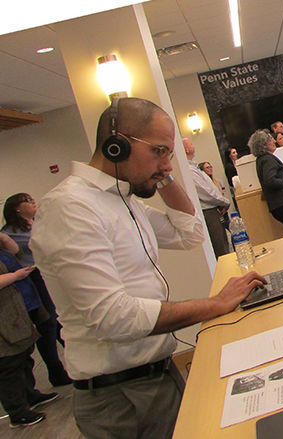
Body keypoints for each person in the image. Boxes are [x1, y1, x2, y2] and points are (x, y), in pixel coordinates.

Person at [29, 97, 267, 439]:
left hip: (155, 376)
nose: (168, 164)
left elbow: (191, 232)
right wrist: (213, 305)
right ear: (117, 145)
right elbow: (114, 317)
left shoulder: (121, 199)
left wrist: (161, 174)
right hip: (121, 397)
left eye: (169, 153)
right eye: (158, 151)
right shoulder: (71, 208)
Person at [2, 193, 71, 387]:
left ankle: (72, 364)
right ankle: (55, 370)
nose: (34, 203)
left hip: (47, 276)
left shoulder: (37, 224)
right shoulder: (10, 233)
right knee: (47, 324)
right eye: (28, 201)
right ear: (16, 208)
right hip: (31, 280)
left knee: (57, 322)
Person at [0, 234, 59, 429]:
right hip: (4, 314)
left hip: (17, 308)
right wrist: (15, 276)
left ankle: (29, 394)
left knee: (24, 355)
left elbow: (15, 250)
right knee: (9, 364)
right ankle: (17, 411)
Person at [183, 138, 231, 257]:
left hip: (214, 210)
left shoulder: (194, 168)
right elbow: (206, 193)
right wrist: (225, 201)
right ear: (186, 150)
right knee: (221, 249)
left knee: (225, 244)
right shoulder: (189, 170)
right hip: (209, 213)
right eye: (191, 144)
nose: (193, 146)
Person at [199, 161, 231, 228]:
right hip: (214, 209)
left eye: (210, 167)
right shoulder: (204, 184)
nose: (210, 169)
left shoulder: (217, 181)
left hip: (223, 207)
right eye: (207, 168)